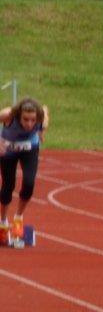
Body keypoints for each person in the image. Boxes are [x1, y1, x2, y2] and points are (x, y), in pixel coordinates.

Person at [0, 98, 49, 245]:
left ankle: (18, 219)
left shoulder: (41, 117)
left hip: (30, 149)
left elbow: (45, 112)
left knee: (29, 183)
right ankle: (3, 222)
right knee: (8, 185)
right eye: (25, 119)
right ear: (18, 116)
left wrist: (41, 131)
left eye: (33, 120)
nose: (29, 124)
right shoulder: (8, 115)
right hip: (8, 150)